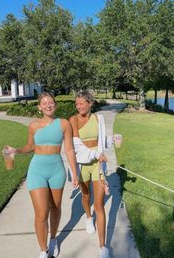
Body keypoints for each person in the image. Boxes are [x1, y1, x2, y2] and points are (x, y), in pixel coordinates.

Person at [3, 92, 78, 258]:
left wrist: (75, 172)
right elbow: (30, 146)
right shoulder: (34, 126)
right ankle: (43, 250)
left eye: (51, 102)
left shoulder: (64, 124)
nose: (48, 105)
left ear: (55, 105)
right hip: (37, 170)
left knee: (55, 208)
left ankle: (53, 239)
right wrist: (17, 150)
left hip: (57, 170)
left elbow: (69, 150)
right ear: (39, 107)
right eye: (44, 103)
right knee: (41, 213)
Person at [69, 90, 110, 258]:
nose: (79, 106)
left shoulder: (98, 119)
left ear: (90, 103)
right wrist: (94, 154)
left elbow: (102, 140)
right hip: (82, 165)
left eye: (81, 103)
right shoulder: (73, 120)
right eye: (77, 104)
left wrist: (112, 140)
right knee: (86, 196)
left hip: (98, 166)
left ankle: (103, 248)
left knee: (99, 205)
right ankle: (88, 217)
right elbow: (77, 146)